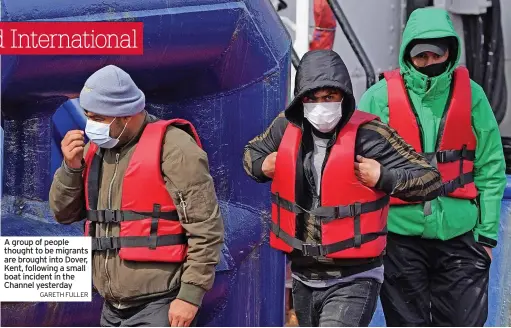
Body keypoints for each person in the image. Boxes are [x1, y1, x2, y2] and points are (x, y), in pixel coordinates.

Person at [242, 49, 444, 327]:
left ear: (344, 97)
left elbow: (430, 179)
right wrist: (262, 165)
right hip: (303, 275)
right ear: (301, 100)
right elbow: (250, 154)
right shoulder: (285, 127)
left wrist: (384, 177)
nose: (320, 106)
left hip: (355, 278)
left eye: (329, 97)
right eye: (311, 99)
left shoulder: (370, 135)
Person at [358, 7, 506, 327]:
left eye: (436, 54)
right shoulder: (377, 98)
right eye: (420, 55)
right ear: (407, 54)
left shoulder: (474, 97)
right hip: (399, 238)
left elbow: (492, 165)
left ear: (450, 52)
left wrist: (487, 237)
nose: (428, 64)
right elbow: (354, 170)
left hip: (461, 234)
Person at [49, 65, 224, 327]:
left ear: (127, 115)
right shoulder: (94, 150)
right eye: (88, 116)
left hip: (160, 305)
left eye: (99, 117)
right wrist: (71, 167)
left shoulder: (174, 147)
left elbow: (206, 228)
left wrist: (189, 296)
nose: (91, 125)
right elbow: (62, 213)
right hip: (111, 307)